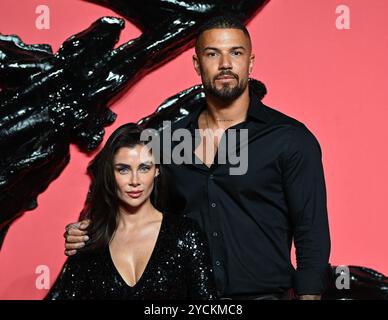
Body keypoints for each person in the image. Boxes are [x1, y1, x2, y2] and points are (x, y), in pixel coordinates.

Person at [64, 16, 331, 300]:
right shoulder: (167, 142)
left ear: (250, 63)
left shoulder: (289, 139)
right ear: (197, 64)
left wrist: (309, 296)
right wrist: (87, 229)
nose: (225, 64)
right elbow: (137, 208)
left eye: (236, 53)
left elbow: (311, 230)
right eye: (212, 53)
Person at [47, 123, 216, 300]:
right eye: (123, 169)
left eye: (144, 168)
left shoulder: (185, 234)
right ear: (110, 174)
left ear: (157, 170)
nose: (135, 181)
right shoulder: (88, 240)